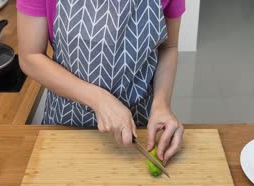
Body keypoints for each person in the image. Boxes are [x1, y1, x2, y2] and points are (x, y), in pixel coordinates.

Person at [17, 0, 185, 165]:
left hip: (139, 128)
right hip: (67, 125)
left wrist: (161, 105)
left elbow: (168, 47)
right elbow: (30, 57)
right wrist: (99, 100)